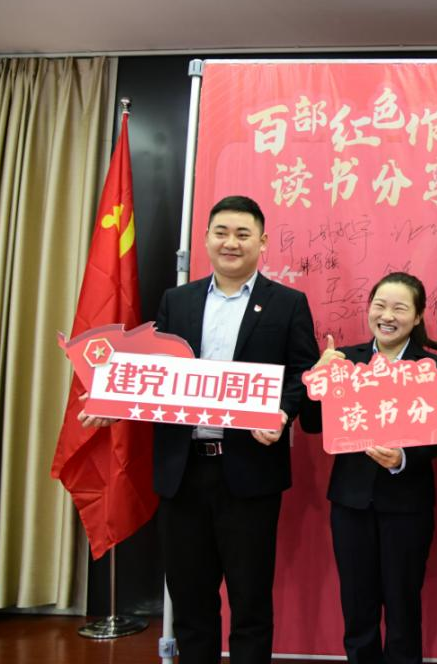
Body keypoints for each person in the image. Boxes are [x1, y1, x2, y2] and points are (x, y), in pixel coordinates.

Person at [149, 195, 317, 663]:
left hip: (249, 472)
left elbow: (302, 375)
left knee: (250, 602)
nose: (231, 242)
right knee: (191, 601)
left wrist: (282, 413)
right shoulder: (176, 301)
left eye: (243, 234)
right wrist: (110, 402)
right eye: (221, 232)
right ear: (205, 239)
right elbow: (154, 371)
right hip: (182, 472)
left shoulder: (287, 304)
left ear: (262, 243)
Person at [311, 272, 437, 664]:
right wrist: (319, 377)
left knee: (403, 608)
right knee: (358, 608)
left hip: (407, 505)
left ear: (417, 316)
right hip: (351, 503)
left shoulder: (434, 368)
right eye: (380, 306)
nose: (387, 316)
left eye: (400, 308)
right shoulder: (344, 361)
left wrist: (403, 458)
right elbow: (312, 423)